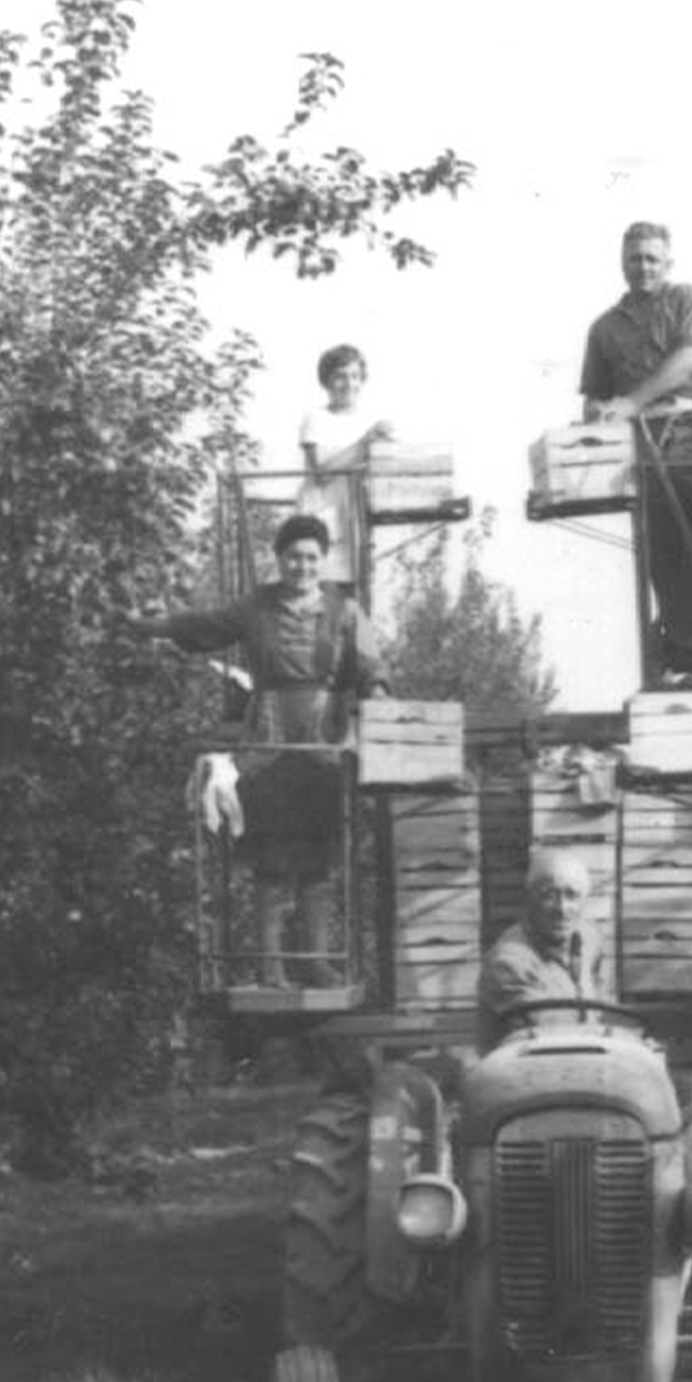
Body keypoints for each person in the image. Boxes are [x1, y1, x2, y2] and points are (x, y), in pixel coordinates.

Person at [135, 512, 387, 986]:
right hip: (269, 741)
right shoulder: (256, 608)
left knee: (319, 859)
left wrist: (378, 695)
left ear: (323, 560)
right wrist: (152, 626)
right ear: (279, 559)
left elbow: (371, 665)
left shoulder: (345, 612)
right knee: (271, 856)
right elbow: (204, 626)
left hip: (323, 741)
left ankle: (313, 959)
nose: (302, 566)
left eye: (312, 557)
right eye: (293, 557)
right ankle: (271, 966)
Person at [478, 848, 692, 1181]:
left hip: (593, 1065)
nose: (561, 909)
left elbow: (602, 1006)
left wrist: (640, 1043)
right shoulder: (509, 960)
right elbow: (553, 1036)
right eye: (549, 895)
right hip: (532, 1079)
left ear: (585, 901)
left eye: (571, 896)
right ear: (529, 899)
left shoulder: (589, 939)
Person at [580, 221, 692, 684]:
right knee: (664, 550)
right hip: (644, 442)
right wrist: (599, 414)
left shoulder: (689, 300)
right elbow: (594, 393)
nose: (644, 267)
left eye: (652, 258)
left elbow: (690, 358)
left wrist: (631, 401)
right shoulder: (604, 327)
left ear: (668, 262)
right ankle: (684, 645)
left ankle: (678, 635)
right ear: (622, 263)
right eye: (635, 258)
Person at [297, 344, 393, 592]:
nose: (348, 383)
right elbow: (320, 473)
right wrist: (364, 443)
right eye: (340, 376)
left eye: (355, 376)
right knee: (324, 590)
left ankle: (357, 630)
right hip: (320, 511)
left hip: (354, 514)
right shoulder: (315, 418)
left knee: (356, 595)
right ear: (326, 381)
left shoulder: (367, 419)